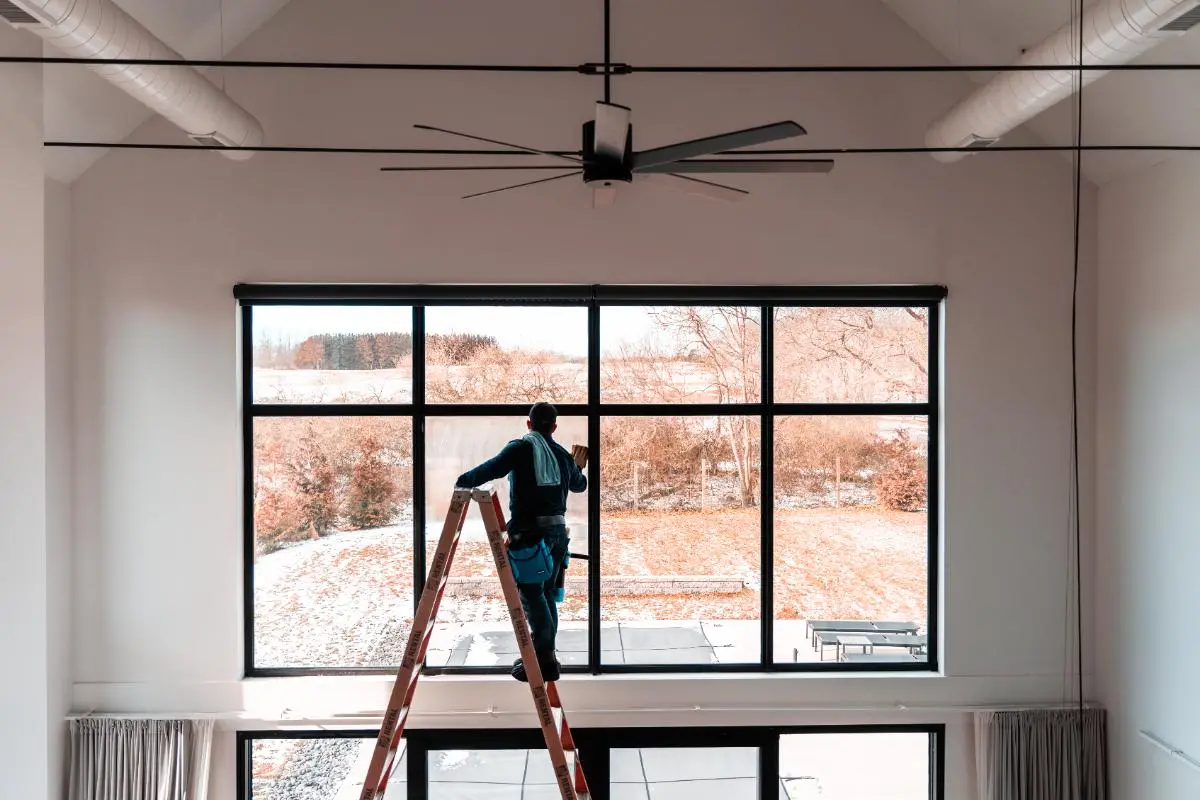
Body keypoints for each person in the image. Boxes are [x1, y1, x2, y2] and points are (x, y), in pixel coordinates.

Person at [454, 401, 587, 682]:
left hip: (530, 537)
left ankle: (541, 661)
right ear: (554, 427)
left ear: (529, 424)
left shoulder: (521, 447)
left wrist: (462, 481)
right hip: (558, 536)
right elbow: (579, 485)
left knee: (532, 596)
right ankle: (546, 656)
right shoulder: (561, 455)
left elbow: (492, 468)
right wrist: (577, 466)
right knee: (546, 596)